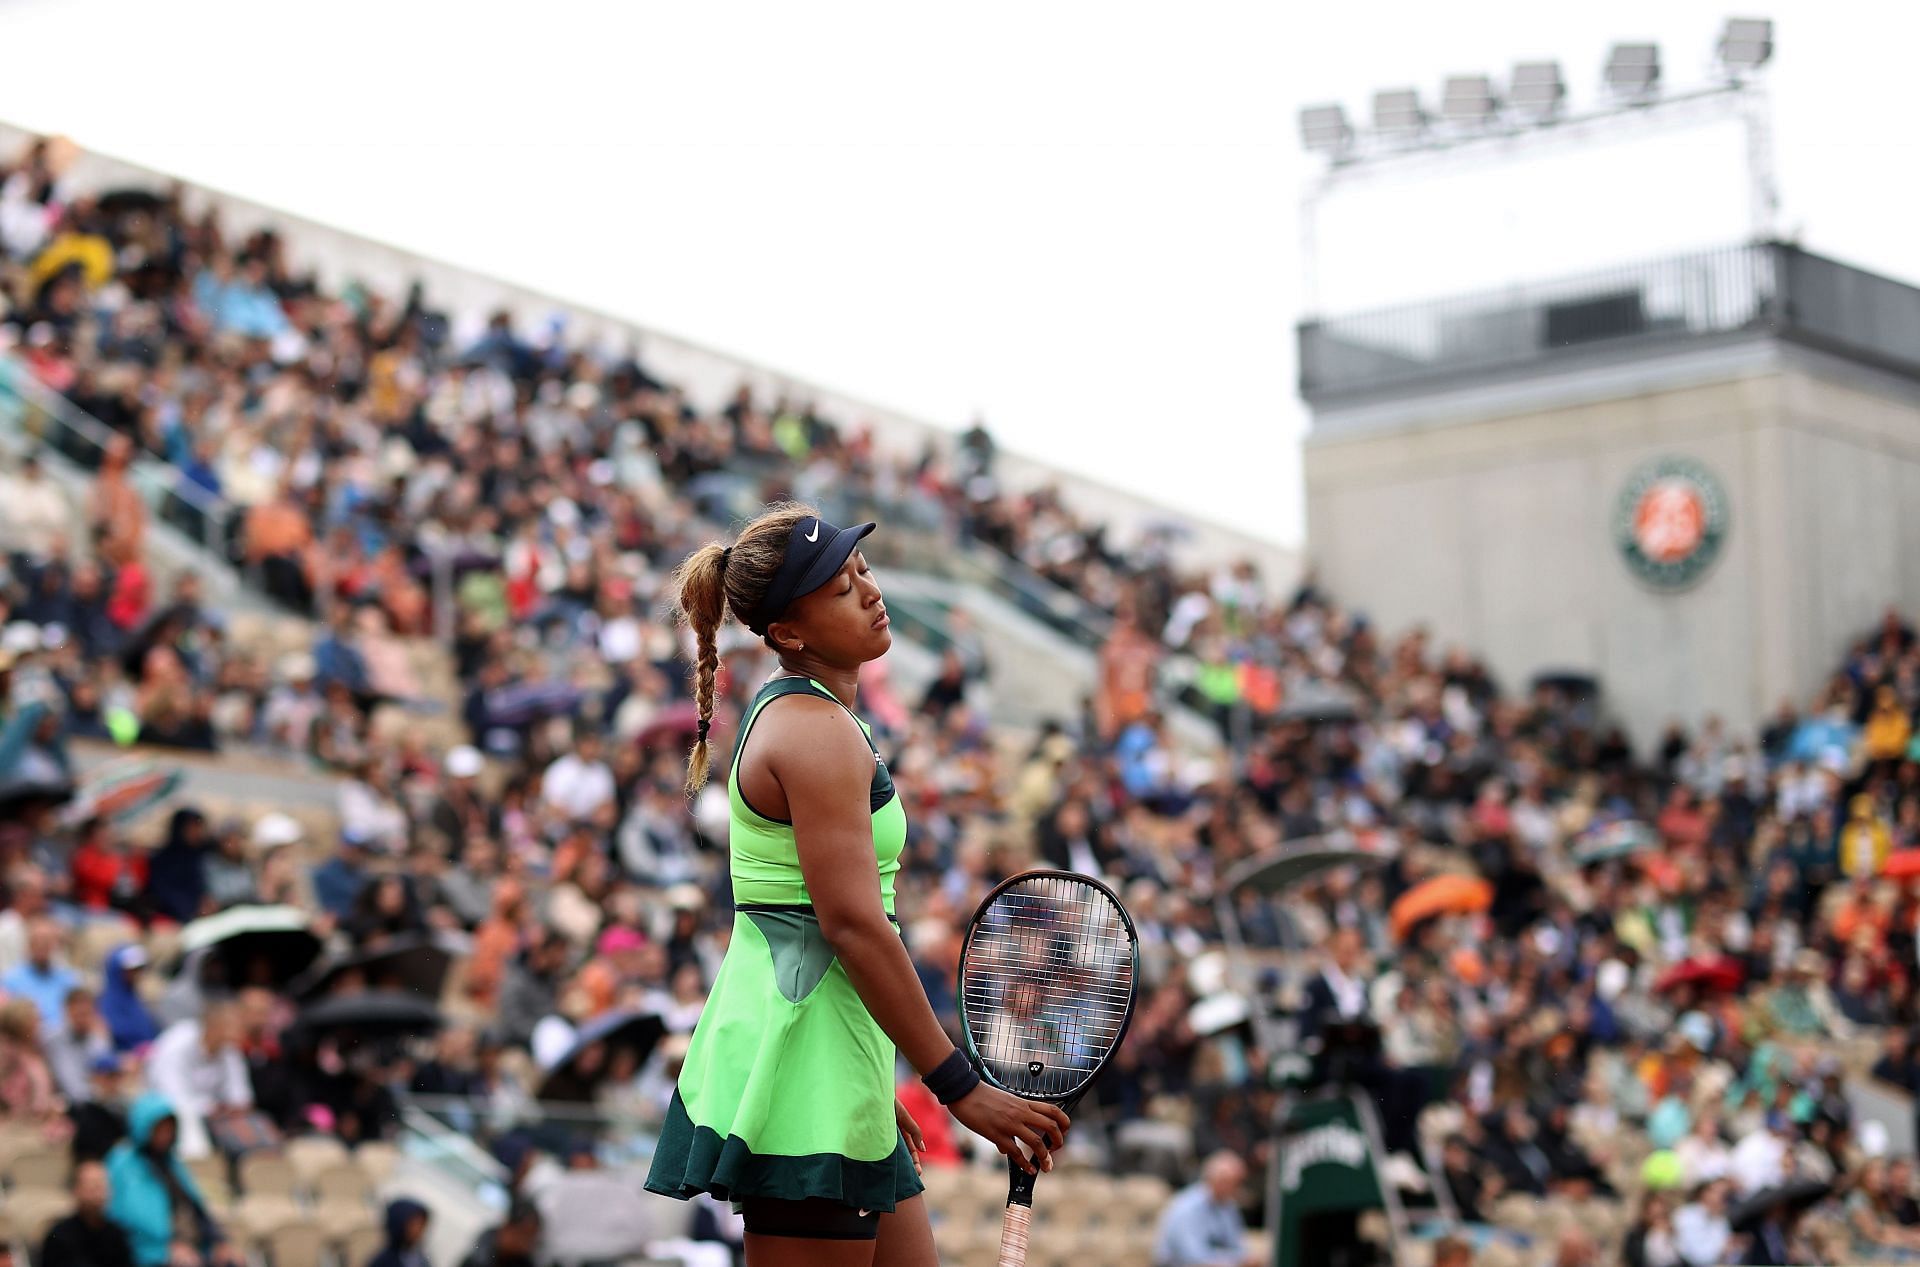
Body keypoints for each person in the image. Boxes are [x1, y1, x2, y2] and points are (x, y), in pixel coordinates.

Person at [642, 505, 1067, 1267]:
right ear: (791, 633)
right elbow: (852, 924)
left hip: (834, 1059)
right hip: (808, 1064)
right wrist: (959, 1086)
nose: (869, 590)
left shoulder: (823, 719)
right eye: (840, 587)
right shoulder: (813, 729)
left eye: (862, 572)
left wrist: (874, 1078)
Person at [103, 1094, 235, 1267]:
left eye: (169, 1129)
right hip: (147, 1252)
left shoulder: (171, 1163)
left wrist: (219, 1241)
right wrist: (164, 1248)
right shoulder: (123, 1162)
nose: (165, 1135)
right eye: (159, 1129)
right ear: (144, 1127)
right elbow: (124, 1215)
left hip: (192, 1246)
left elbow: (196, 1208)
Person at [143, 1004, 251, 1160]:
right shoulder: (177, 1043)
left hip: (213, 1114)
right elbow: (172, 1097)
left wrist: (232, 1108)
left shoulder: (230, 1049)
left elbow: (241, 1097)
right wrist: (211, 1107)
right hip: (163, 1108)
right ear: (214, 1024)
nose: (240, 1028)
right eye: (233, 1023)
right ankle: (200, 1169)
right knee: (187, 1119)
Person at [1152, 1151, 1258, 1267]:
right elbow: (1194, 1258)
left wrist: (1241, 1259)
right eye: (1235, 1183)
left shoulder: (1228, 1206)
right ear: (1220, 1181)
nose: (1238, 1188)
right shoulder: (1187, 1207)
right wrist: (1233, 1261)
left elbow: (1238, 1247)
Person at [41, 1160, 135, 1267]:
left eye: (102, 1186)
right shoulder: (59, 1236)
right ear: (76, 1190)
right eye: (92, 1187)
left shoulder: (118, 1235)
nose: (98, 1194)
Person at [3, 917, 83, 1028]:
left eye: (47, 941)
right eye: (37, 940)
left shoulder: (70, 979)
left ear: (56, 945)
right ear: (29, 943)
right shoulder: (10, 980)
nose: (42, 945)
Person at [457, 1198, 541, 1267]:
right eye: (523, 1235)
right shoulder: (484, 1247)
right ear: (508, 1226)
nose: (525, 1244)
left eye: (531, 1239)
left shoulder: (523, 1261)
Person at [367, 1198, 431, 1267]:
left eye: (422, 1224)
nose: (419, 1230)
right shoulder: (383, 1262)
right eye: (414, 1224)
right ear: (399, 1224)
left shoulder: (420, 1258)